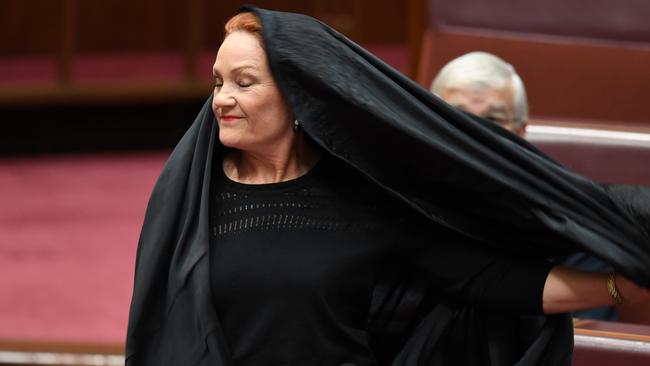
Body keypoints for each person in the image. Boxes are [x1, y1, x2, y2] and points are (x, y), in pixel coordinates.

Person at [126, 7, 650, 366]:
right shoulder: (189, 198)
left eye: (244, 82)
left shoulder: (366, 195)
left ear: (299, 96)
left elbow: (485, 280)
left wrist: (612, 287)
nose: (221, 100)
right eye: (218, 82)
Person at [430, 51, 650, 321]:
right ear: (429, 122)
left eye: (493, 121)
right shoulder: (404, 196)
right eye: (457, 116)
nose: (475, 132)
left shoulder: (567, 216)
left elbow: (581, 336)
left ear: (521, 132)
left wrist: (615, 288)